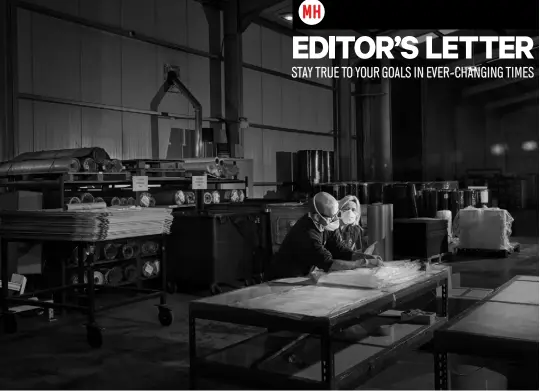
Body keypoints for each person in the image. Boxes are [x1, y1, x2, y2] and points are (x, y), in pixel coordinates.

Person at [266, 192, 382, 280]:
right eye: (332, 217)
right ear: (317, 217)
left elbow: (340, 250)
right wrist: (363, 263)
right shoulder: (307, 234)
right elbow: (328, 263)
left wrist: (366, 257)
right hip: (284, 279)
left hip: (302, 276)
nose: (336, 219)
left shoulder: (328, 224)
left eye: (337, 215)